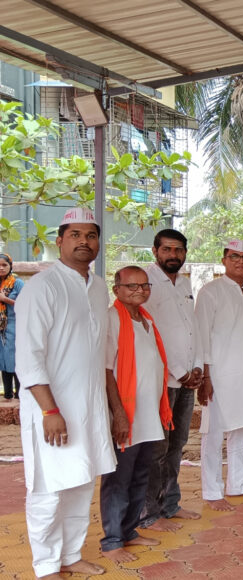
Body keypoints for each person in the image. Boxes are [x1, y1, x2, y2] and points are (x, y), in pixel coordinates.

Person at [16, 208, 115, 578]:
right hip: (52, 411)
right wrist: (49, 411)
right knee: (48, 488)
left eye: (91, 235)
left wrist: (110, 408)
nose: (84, 242)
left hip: (88, 408)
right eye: (75, 234)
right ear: (59, 241)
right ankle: (46, 565)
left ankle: (71, 555)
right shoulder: (42, 287)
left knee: (81, 481)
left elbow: (100, 353)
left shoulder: (99, 287)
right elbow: (28, 357)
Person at [100, 266, 173, 563]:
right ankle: (112, 541)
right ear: (116, 289)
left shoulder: (146, 320)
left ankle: (129, 531)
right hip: (126, 415)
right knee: (118, 479)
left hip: (148, 414)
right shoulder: (112, 319)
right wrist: (118, 413)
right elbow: (106, 370)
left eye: (144, 286)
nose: (140, 291)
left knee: (140, 474)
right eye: (132, 286)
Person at [195, 239, 243, 511]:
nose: (240, 261)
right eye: (234, 257)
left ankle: (239, 484)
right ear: (224, 260)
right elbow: (202, 336)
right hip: (220, 374)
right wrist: (205, 377)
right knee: (214, 433)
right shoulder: (210, 292)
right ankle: (212, 491)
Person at [139, 229, 202, 532]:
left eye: (179, 250)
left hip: (187, 381)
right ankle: (149, 514)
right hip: (162, 381)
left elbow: (192, 328)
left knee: (177, 445)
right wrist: (179, 371)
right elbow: (150, 332)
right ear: (155, 251)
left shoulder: (185, 283)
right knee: (156, 448)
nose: (173, 255)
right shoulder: (145, 283)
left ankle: (170, 504)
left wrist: (197, 367)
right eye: (167, 249)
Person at [0, 252, 23, 399]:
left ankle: (19, 394)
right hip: (1, 330)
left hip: (14, 328)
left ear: (10, 266)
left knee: (13, 359)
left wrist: (4, 299)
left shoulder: (17, 283)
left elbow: (26, 304)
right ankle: (7, 394)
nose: (1, 268)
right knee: (3, 360)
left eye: (4, 265)